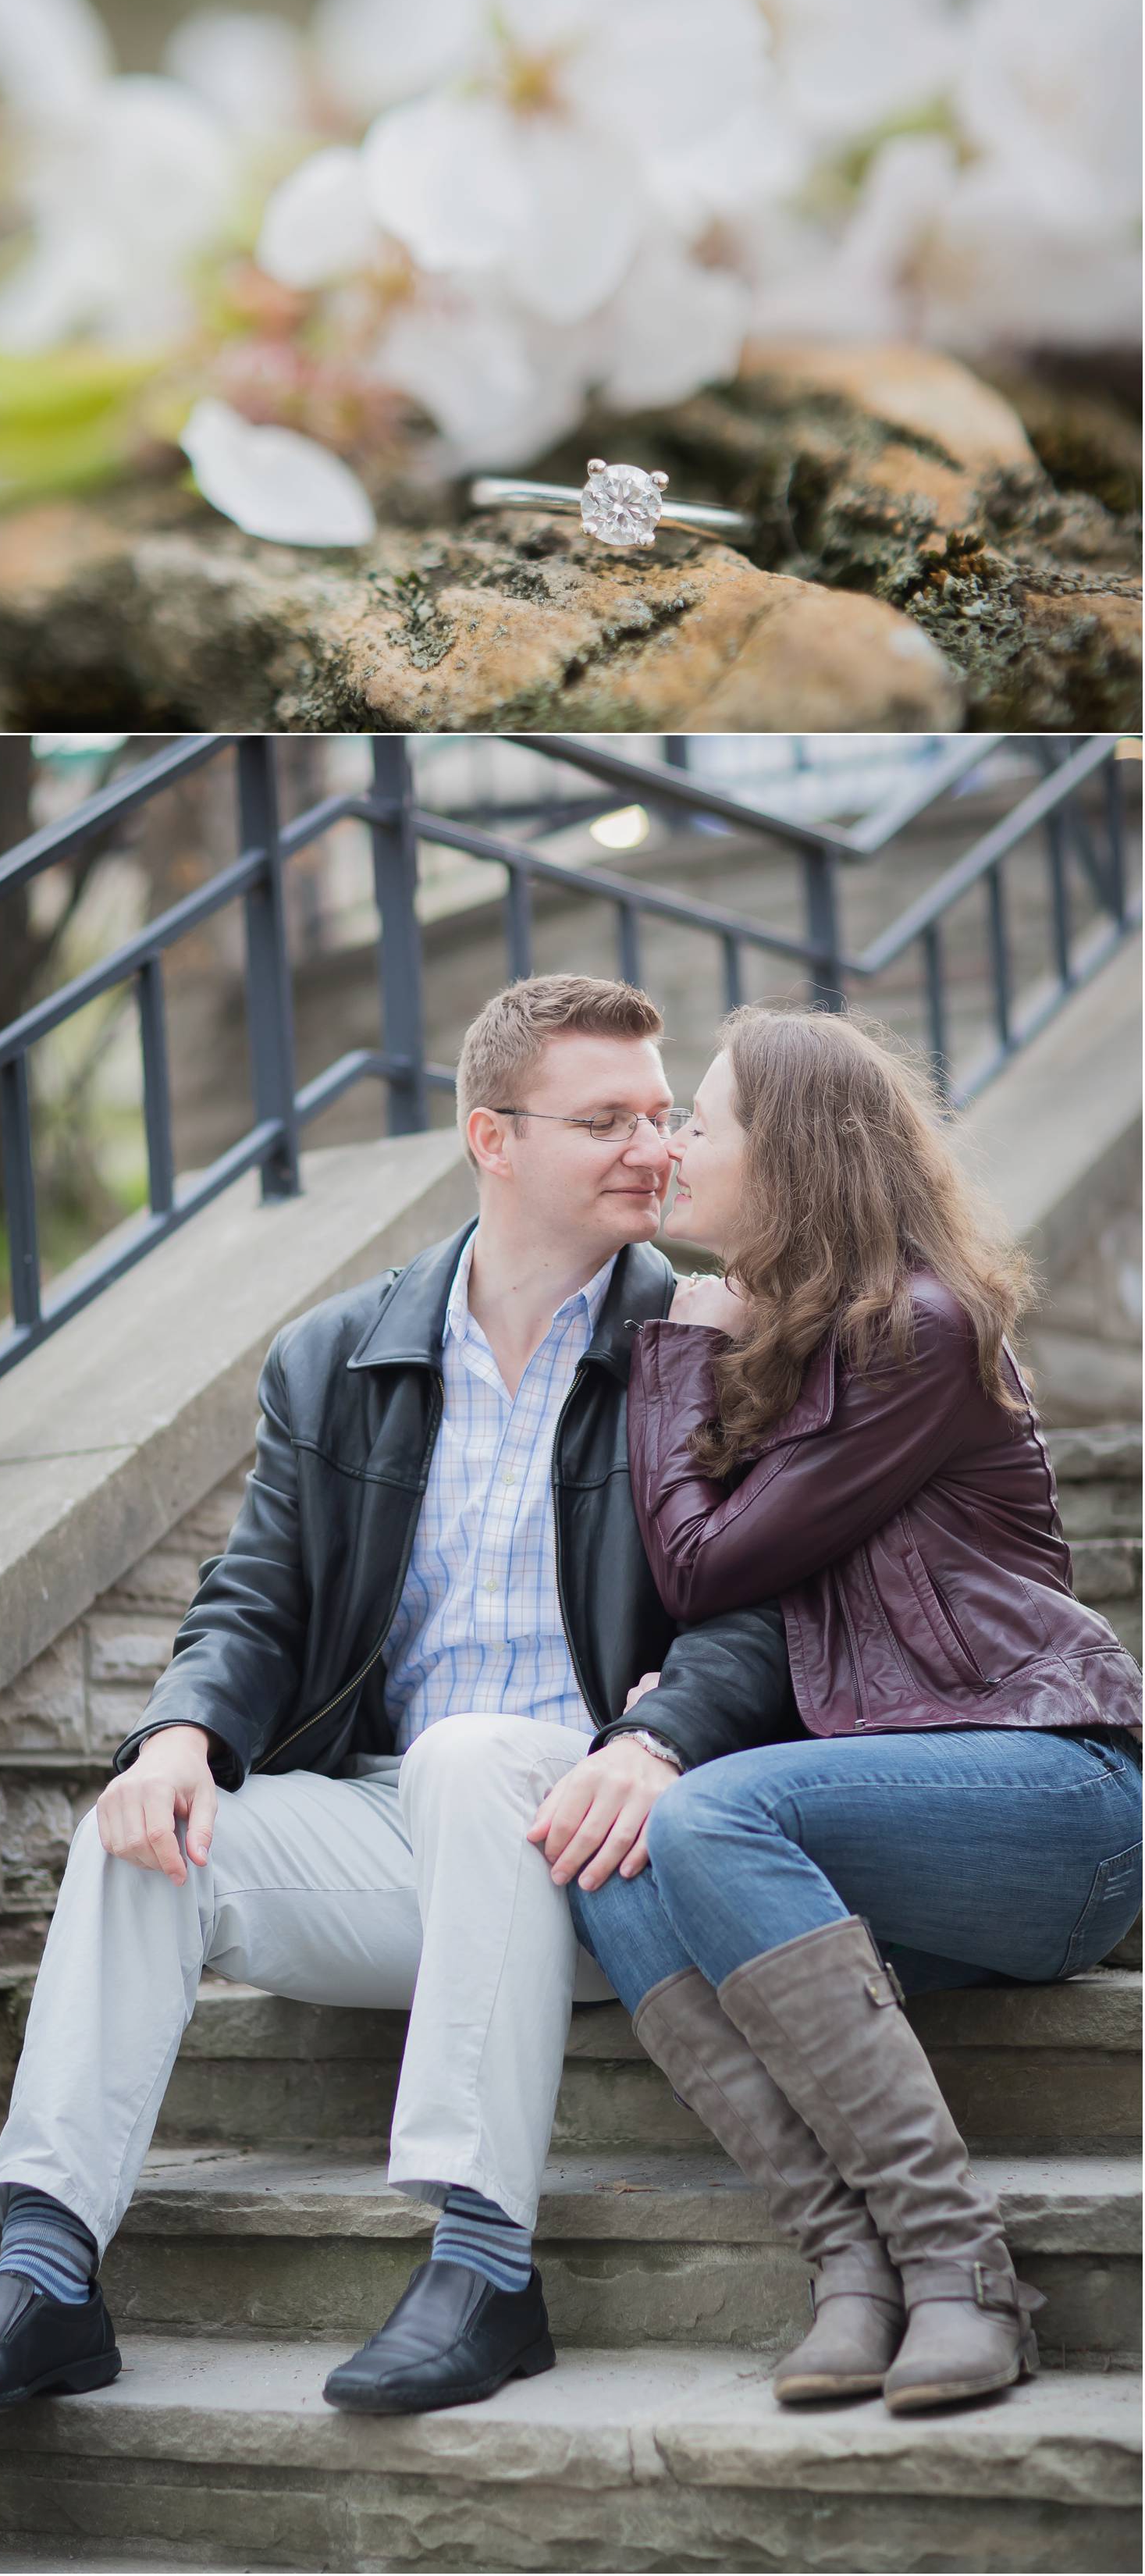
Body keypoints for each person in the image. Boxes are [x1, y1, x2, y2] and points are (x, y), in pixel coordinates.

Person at [0, 974, 791, 2421]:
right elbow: (255, 1595)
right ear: (491, 1140)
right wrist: (179, 1735)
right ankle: (44, 2270)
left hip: (615, 1843)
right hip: (414, 1838)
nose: (657, 1147)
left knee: (467, 1754)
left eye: (662, 1114)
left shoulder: (712, 1338)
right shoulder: (339, 1355)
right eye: (606, 1120)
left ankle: (482, 2260)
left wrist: (662, 1733)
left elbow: (765, 1610)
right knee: (141, 1834)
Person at [564, 1003, 1142, 2414]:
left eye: (704, 1119)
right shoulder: (796, 1352)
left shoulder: (917, 1333)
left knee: (702, 1809)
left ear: (796, 1156)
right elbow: (732, 1603)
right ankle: (851, 2269)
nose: (677, 1146)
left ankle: (962, 2273)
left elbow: (706, 1561)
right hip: (897, 1827)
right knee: (612, 1865)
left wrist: (678, 1348)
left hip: (1053, 1794)